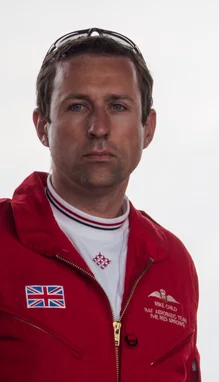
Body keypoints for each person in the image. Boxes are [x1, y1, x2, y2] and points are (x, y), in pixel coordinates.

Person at [0, 28, 200, 382]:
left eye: (118, 106)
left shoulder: (173, 263)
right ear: (42, 126)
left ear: (147, 128)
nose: (99, 127)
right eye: (77, 106)